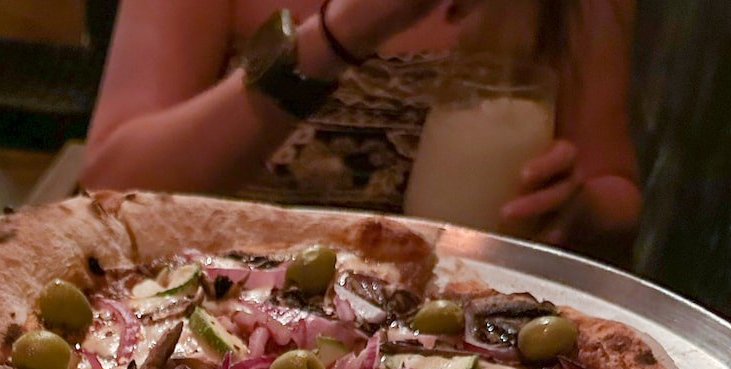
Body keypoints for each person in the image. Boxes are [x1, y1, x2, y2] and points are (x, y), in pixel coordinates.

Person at [83, 0, 641, 259]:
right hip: (209, 310)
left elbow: (617, 194)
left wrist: (576, 209)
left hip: (462, 337)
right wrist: (337, 34)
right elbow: (110, 185)